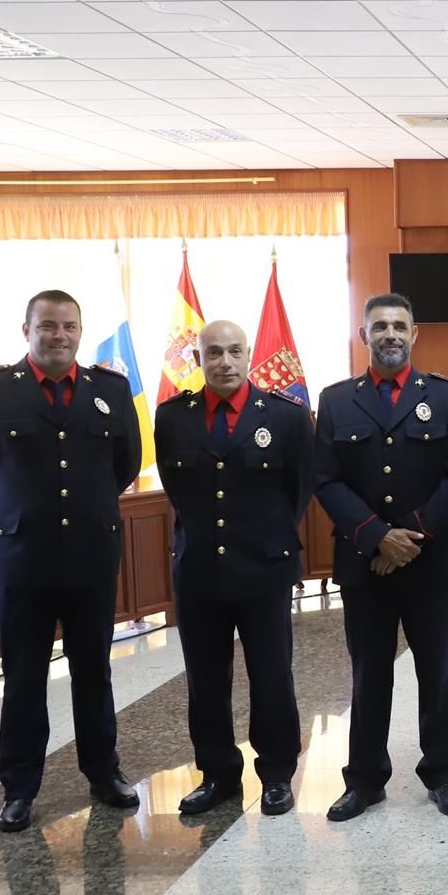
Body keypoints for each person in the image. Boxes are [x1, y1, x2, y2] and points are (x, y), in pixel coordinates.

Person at [0, 290, 143, 833]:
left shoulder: (110, 388)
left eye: (69, 326)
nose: (59, 335)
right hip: (21, 559)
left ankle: (104, 773)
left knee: (93, 671)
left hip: (90, 556)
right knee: (26, 675)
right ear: (27, 329)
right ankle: (19, 788)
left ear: (81, 331)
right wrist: (13, 511)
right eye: (48, 326)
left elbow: (125, 462)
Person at [312, 293, 448, 822]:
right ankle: (364, 780)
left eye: (399, 326)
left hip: (429, 562)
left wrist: (408, 538)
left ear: (414, 334)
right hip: (365, 562)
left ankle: (443, 775)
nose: (390, 334)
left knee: (437, 670)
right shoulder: (337, 400)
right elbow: (326, 479)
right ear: (364, 335)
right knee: (368, 673)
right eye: (379, 326)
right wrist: (375, 536)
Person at [153, 319, 312, 818]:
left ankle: (277, 774)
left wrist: (265, 536)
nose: (224, 362)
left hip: (263, 567)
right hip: (199, 568)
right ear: (198, 360)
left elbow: (300, 489)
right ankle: (218, 773)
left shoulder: (285, 417)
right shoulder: (173, 417)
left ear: (248, 358)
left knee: (271, 674)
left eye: (234, 352)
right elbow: (176, 489)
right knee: (205, 679)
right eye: (214, 353)